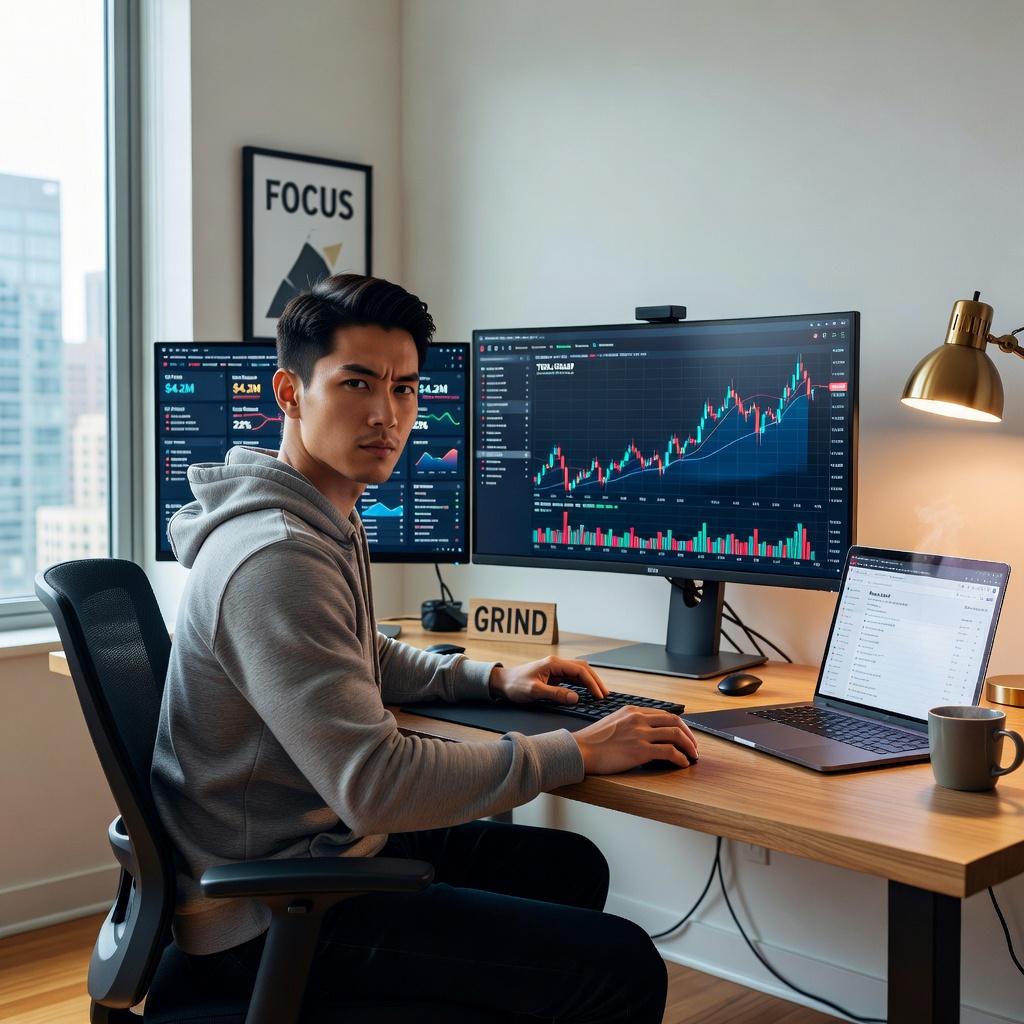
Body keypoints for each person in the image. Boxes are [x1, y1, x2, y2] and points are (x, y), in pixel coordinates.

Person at [151, 273, 699, 1022]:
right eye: (357, 383)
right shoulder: (276, 556)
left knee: (569, 867)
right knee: (620, 967)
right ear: (289, 393)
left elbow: (363, 657)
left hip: (314, 855)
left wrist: (493, 680)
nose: (388, 414)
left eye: (405, 388)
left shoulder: (320, 515)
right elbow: (373, 783)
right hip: (268, 916)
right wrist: (575, 752)